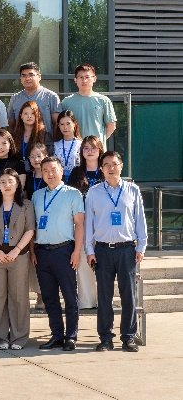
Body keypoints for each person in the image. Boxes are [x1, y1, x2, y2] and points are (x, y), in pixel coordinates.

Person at [84, 151, 147, 352]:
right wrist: (89, 250)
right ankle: (105, 338)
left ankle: (128, 337)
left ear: (121, 166)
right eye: (107, 165)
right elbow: (88, 223)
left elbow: (140, 220)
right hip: (102, 250)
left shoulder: (132, 190)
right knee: (104, 296)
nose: (111, 168)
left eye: (115, 164)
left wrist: (141, 247)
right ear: (101, 169)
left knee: (129, 295)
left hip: (127, 249)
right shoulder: (94, 192)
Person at [31, 156, 85, 351]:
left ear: (62, 171)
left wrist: (76, 252)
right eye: (45, 171)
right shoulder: (37, 196)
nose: (50, 174)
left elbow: (80, 224)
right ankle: (56, 335)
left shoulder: (73, 194)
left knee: (70, 296)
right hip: (42, 252)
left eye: (53, 170)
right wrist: (32, 252)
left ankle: (71, 336)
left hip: (64, 251)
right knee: (49, 297)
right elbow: (33, 226)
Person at [0, 168, 36, 350]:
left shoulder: (26, 205)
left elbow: (30, 229)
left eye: (10, 181)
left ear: (17, 184)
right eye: (2, 182)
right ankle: (1, 337)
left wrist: (17, 250)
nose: (6, 185)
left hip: (18, 256)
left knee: (19, 297)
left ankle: (19, 337)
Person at [62, 63, 118, 146]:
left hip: (96, 149)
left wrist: (97, 142)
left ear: (94, 79)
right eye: (81, 77)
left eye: (87, 77)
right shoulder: (67, 102)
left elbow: (111, 126)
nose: (84, 80)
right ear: (75, 80)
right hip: (74, 148)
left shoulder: (103, 100)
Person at [8, 62, 62, 134]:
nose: (27, 78)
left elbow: (57, 124)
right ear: (20, 78)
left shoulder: (51, 97)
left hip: (46, 140)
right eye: (24, 76)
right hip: (21, 140)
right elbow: (11, 124)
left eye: (31, 75)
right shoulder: (15, 98)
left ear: (39, 77)